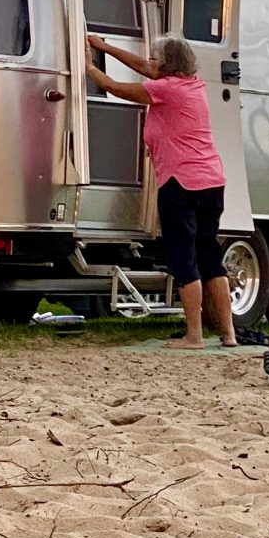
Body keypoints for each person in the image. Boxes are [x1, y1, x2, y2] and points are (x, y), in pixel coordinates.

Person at [85, 32, 239, 349]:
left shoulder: (165, 90)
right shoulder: (192, 85)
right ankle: (229, 335)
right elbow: (145, 67)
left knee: (184, 259)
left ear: (167, 65)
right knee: (210, 257)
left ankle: (194, 336)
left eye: (156, 58)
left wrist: (87, 67)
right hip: (212, 181)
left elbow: (114, 88)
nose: (150, 62)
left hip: (180, 183)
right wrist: (105, 47)